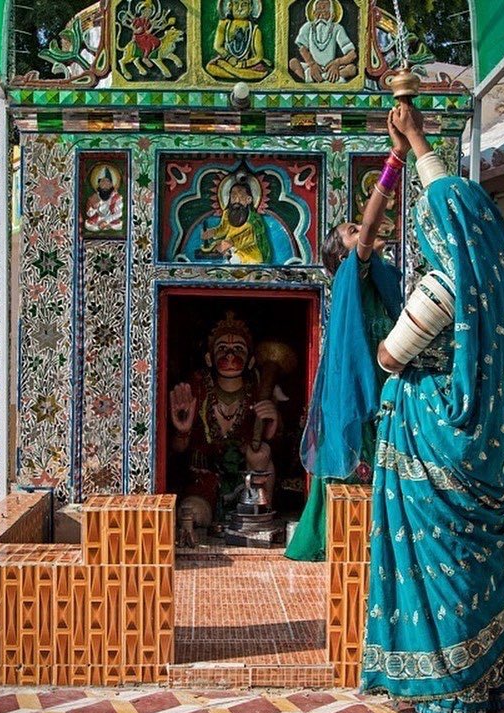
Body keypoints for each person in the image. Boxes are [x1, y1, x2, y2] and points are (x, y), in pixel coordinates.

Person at [360, 102, 504, 713]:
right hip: (484, 444)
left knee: (439, 567)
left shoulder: (442, 289)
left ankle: (451, 707)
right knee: (478, 561)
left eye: (430, 224)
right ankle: (490, 691)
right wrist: (416, 144)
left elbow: (388, 355)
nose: (425, 229)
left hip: (433, 443)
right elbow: (451, 198)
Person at [286, 111, 405, 561]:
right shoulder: (352, 275)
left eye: (358, 227)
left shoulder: (378, 279)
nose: (362, 231)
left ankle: (373, 547)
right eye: (352, 232)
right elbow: (373, 227)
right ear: (342, 256)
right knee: (353, 471)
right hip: (359, 388)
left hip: (381, 383)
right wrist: (396, 157)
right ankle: (346, 545)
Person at [169, 312, 280, 526]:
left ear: (251, 360)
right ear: (209, 358)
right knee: (192, 513)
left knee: (261, 453)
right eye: (222, 349)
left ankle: (258, 511)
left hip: (244, 481)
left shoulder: (259, 391)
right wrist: (182, 430)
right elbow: (177, 449)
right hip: (203, 480)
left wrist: (272, 425)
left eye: (238, 349)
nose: (230, 356)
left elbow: (280, 449)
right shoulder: (197, 390)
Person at [200, 177, 271, 264]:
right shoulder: (227, 213)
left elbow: (251, 236)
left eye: (241, 197)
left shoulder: (254, 218)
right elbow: (223, 229)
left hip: (250, 255)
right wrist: (213, 232)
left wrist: (231, 242)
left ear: (249, 199)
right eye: (233, 197)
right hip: (231, 250)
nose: (236, 200)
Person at [289, 0, 357, 83]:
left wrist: (337, 63)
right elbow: (302, 48)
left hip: (331, 69)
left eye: (325, 11)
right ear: (313, 13)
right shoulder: (307, 27)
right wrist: (312, 64)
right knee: (293, 63)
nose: (321, 15)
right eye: (318, 11)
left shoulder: (337, 28)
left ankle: (326, 78)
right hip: (310, 68)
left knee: (352, 69)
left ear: (332, 15)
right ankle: (306, 84)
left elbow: (352, 54)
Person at [206, 0, 271, 81]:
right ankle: (242, 75)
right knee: (210, 67)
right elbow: (217, 46)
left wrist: (242, 64)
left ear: (250, 8)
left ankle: (234, 72)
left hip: (245, 64)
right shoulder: (224, 24)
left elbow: (259, 56)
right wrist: (229, 58)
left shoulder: (255, 30)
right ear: (230, 6)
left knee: (262, 72)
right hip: (227, 60)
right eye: (236, 3)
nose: (240, 8)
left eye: (244, 4)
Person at [85, 166, 124, 233]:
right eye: (102, 182)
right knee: (89, 226)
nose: (105, 184)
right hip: (96, 221)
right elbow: (89, 214)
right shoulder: (93, 197)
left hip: (111, 220)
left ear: (111, 184)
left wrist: (106, 221)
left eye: (108, 182)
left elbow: (119, 213)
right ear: (99, 184)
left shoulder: (117, 197)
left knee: (118, 226)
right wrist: (94, 208)